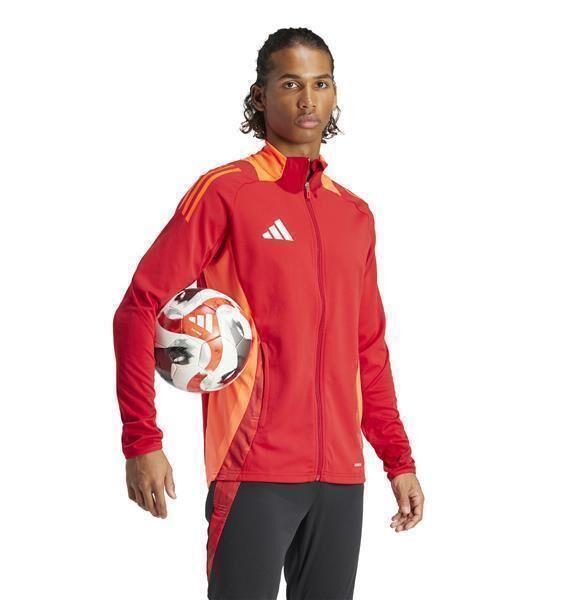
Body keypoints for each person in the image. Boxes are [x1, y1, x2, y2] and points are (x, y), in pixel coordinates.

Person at [113, 27, 425, 600]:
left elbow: (368, 349)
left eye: (321, 84)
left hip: (341, 476)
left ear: (335, 93)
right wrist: (142, 440)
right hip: (253, 466)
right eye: (290, 84)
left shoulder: (354, 214)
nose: (308, 100)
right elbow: (139, 306)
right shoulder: (226, 192)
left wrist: (397, 459)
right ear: (260, 95)